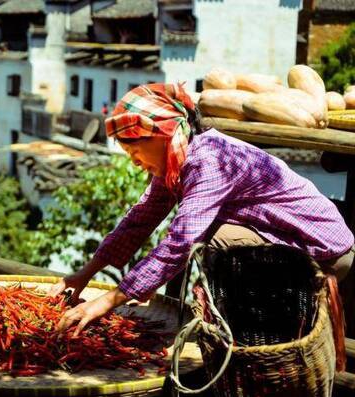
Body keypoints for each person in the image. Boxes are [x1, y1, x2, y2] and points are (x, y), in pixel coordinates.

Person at [52, 83, 355, 336]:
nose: (133, 161)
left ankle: (261, 317)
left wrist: (106, 302)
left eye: (134, 150)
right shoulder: (176, 158)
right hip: (285, 241)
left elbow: (180, 244)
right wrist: (84, 275)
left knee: (212, 236)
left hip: (324, 252)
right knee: (212, 232)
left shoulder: (208, 160)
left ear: (162, 135)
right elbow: (140, 220)